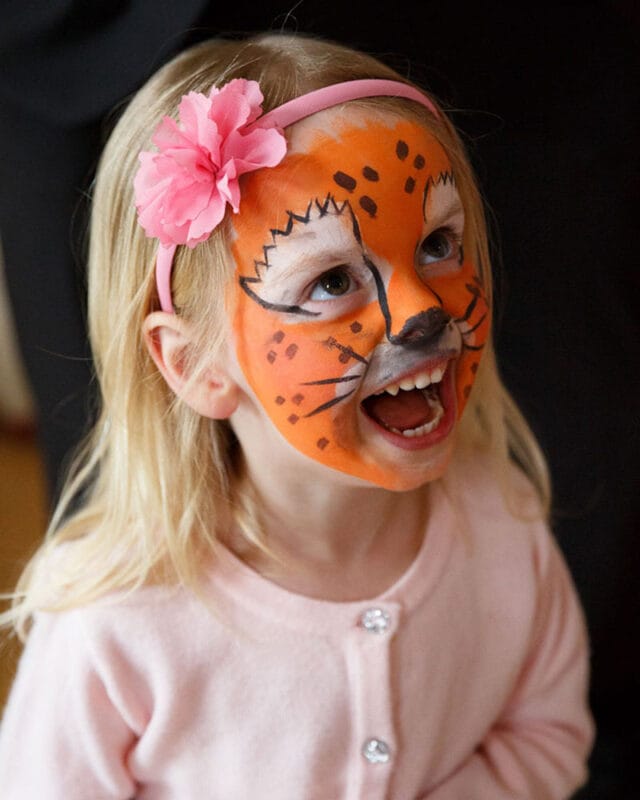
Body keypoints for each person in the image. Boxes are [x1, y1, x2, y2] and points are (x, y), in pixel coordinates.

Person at [0, 33, 594, 799]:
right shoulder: (118, 625)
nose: (421, 312)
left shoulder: (503, 530)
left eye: (440, 243)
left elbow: (546, 739)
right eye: (332, 280)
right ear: (193, 367)